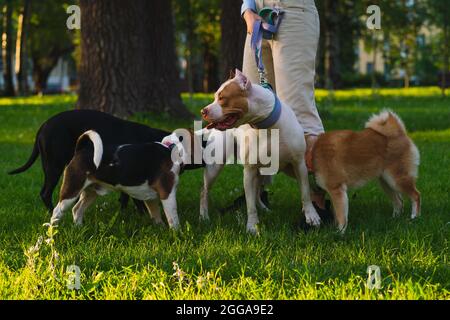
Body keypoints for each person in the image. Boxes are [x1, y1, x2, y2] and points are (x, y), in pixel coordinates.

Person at [241, 0, 327, 210]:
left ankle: (319, 202)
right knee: (252, 107)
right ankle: (256, 198)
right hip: (257, 15)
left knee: (297, 111)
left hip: (294, 13)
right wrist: (248, 11)